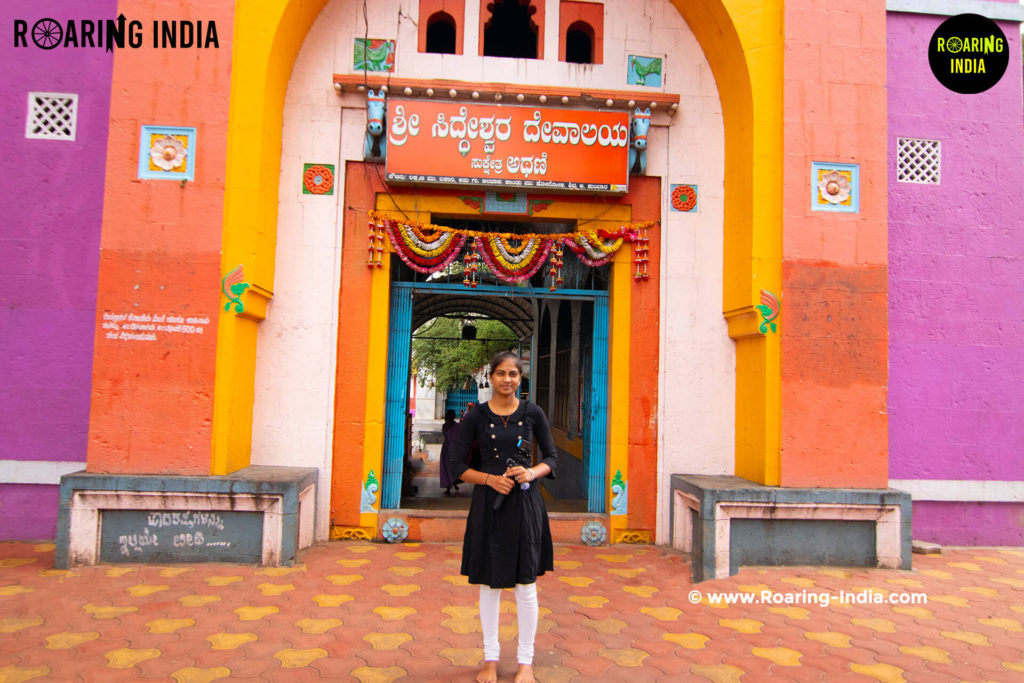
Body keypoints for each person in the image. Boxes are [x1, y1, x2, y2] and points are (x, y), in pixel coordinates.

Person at [448, 351, 557, 683]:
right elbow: (456, 466)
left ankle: (526, 661)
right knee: (490, 585)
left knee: (526, 585)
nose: (506, 379)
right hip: (488, 506)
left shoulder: (532, 413)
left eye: (513, 374)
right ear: (490, 377)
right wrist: (490, 479)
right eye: (500, 373)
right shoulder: (476, 416)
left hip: (525, 506)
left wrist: (531, 472)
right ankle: (490, 659)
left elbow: (551, 457)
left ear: (519, 379)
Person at [439, 409, 460, 496]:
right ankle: (450, 486)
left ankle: (452, 483)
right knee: (447, 467)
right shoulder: (447, 426)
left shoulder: (456, 426)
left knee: (452, 468)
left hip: (452, 449)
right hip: (448, 449)